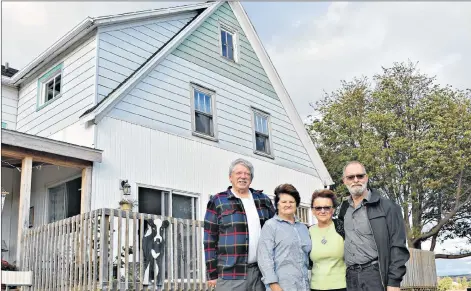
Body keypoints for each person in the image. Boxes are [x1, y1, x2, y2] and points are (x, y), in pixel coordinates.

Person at [204, 158, 275, 291]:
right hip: (230, 274)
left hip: (259, 273)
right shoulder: (218, 200)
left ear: (251, 178)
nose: (243, 177)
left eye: (247, 174)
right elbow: (209, 240)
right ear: (230, 177)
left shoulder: (263, 200)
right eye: (239, 173)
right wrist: (211, 274)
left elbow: (276, 228)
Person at [338, 161, 410, 291]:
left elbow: (398, 246)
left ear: (366, 177)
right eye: (350, 177)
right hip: (351, 276)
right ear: (344, 181)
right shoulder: (343, 209)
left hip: (375, 275)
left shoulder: (387, 207)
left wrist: (394, 282)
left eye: (360, 176)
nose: (356, 180)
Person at [257, 184, 311, 291]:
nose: (288, 205)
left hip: (303, 285)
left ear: (296, 204)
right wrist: (273, 284)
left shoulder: (303, 228)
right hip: (281, 286)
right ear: (277, 205)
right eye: (284, 202)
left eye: (291, 202)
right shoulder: (270, 226)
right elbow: (264, 258)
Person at [309, 189, 346, 291]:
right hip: (315, 287)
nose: (322, 211)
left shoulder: (342, 227)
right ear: (312, 210)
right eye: (318, 208)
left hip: (342, 286)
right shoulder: (308, 232)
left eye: (327, 207)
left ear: (333, 209)